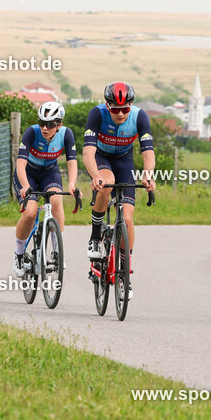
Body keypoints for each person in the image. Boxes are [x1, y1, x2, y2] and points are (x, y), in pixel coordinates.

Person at [84, 81, 156, 299]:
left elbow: (148, 152)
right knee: (106, 183)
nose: (122, 114)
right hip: (101, 157)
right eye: (116, 110)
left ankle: (124, 272)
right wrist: (95, 175)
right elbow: (88, 152)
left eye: (126, 109)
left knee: (128, 218)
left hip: (124, 160)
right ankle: (95, 237)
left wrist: (148, 173)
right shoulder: (96, 114)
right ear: (108, 106)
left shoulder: (140, 116)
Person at [13, 101, 78, 276]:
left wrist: (71, 183)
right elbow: (20, 164)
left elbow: (72, 163)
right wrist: (26, 186)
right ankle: (19, 254)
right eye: (42, 122)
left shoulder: (66, 134)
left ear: (59, 125)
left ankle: (58, 252)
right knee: (30, 212)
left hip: (50, 172)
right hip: (28, 174)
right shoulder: (32, 132)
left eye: (50, 124)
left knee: (57, 200)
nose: (45, 128)